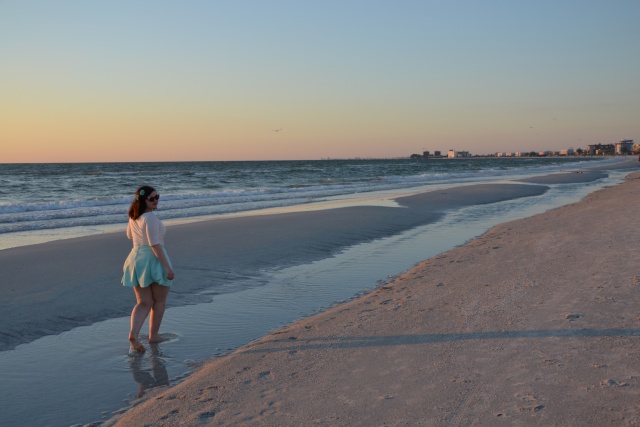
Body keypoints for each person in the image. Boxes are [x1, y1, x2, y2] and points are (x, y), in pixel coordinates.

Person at [122, 186, 175, 354]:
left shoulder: (133, 216)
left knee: (143, 302)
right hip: (153, 259)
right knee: (159, 301)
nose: (155, 200)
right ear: (143, 201)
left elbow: (130, 236)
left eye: (157, 196)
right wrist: (167, 267)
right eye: (151, 198)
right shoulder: (150, 218)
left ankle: (133, 334)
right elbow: (154, 244)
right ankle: (153, 336)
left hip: (136, 258)